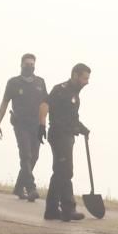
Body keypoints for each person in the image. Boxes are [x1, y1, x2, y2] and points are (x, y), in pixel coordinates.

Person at [0, 53, 48, 202]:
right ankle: (31, 187)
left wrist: (43, 124)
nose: (30, 67)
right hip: (20, 124)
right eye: (27, 64)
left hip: (36, 125)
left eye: (32, 64)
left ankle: (19, 187)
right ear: (21, 65)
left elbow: (45, 104)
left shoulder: (40, 82)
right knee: (26, 155)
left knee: (34, 156)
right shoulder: (13, 83)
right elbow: (4, 103)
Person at [41, 63, 91, 222]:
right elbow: (45, 104)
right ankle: (68, 209)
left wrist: (82, 128)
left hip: (68, 136)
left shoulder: (75, 95)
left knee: (60, 172)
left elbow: (73, 118)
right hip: (58, 135)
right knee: (66, 171)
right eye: (84, 78)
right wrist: (41, 124)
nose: (86, 82)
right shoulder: (60, 90)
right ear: (75, 75)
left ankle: (52, 210)